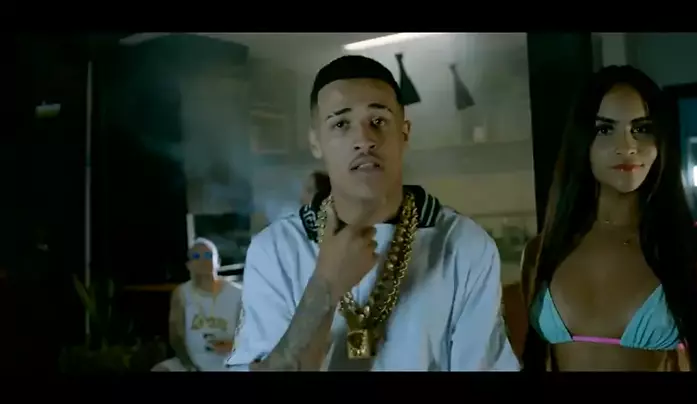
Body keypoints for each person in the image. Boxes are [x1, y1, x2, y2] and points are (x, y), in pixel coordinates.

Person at [226, 55, 518, 371]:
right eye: (341, 124)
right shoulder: (277, 249)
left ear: (404, 133)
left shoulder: (462, 244)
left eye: (378, 121)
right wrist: (325, 286)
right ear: (316, 142)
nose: (364, 141)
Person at [521, 65, 697, 371]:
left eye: (642, 129)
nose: (626, 147)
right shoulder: (540, 252)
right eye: (605, 129)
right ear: (582, 140)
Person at [152, 238, 244, 371]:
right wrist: (188, 364)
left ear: (218, 262)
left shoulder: (238, 293)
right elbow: (176, 337)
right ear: (189, 265)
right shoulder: (181, 294)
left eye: (208, 255)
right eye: (196, 256)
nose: (203, 260)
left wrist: (234, 346)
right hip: (191, 362)